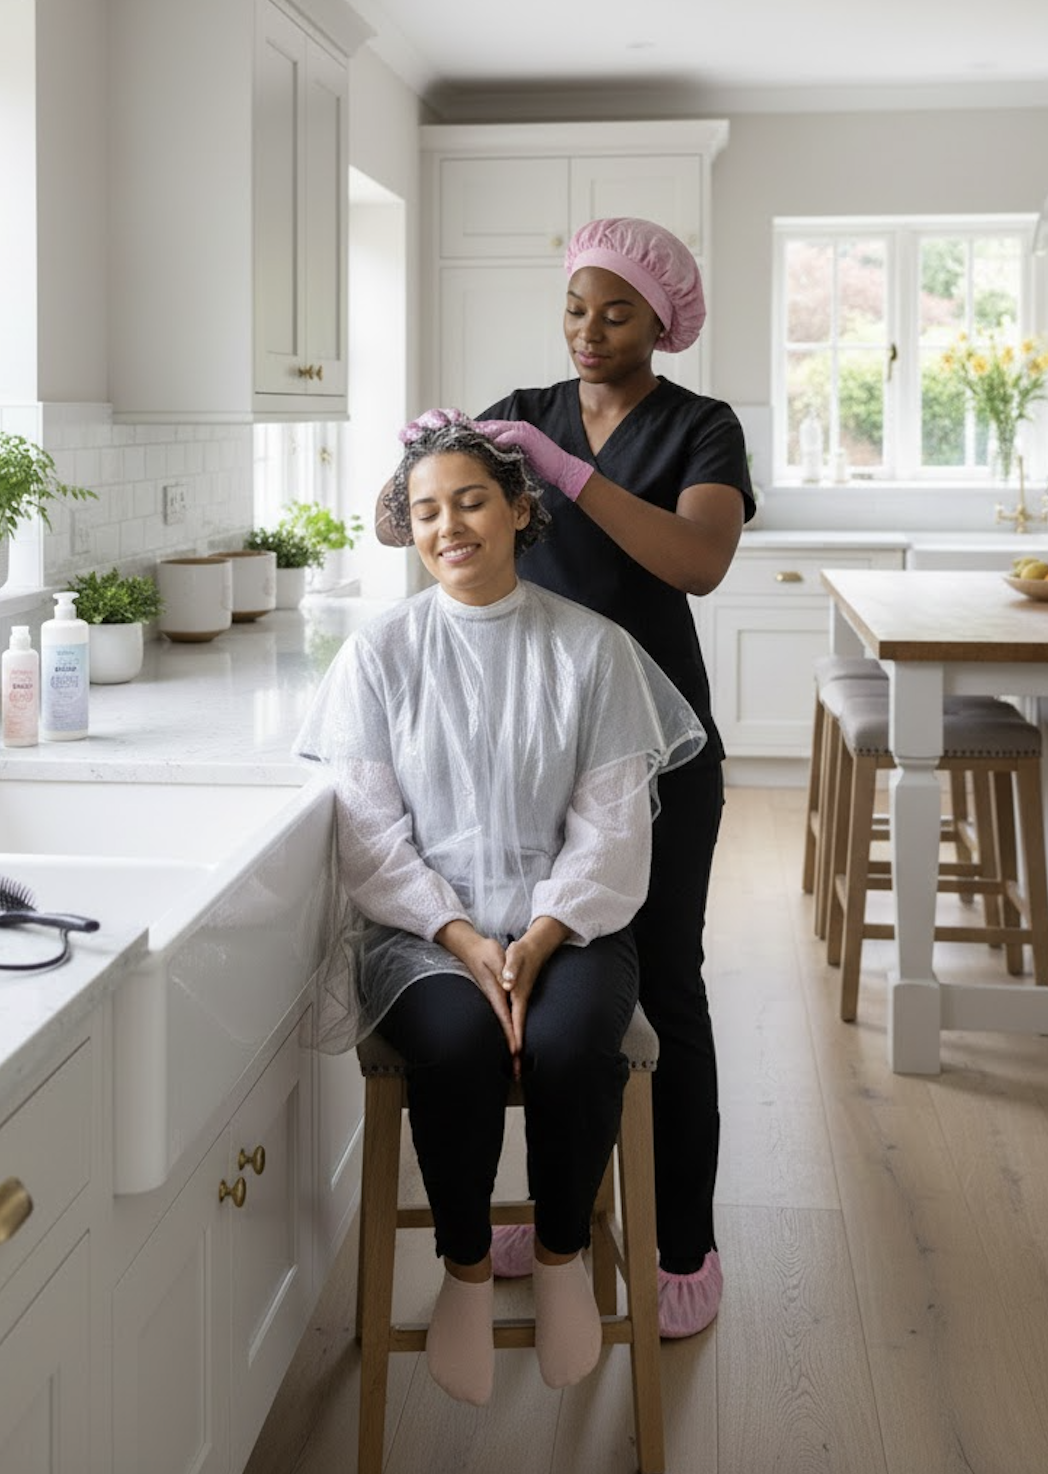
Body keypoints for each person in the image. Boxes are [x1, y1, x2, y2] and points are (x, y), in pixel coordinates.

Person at [378, 216, 754, 1339]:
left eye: (617, 312)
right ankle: (548, 1214)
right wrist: (413, 469)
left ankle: (679, 1238)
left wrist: (562, 472)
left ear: (663, 321)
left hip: (655, 753)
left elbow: (696, 560)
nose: (588, 331)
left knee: (658, 987)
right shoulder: (521, 409)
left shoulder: (699, 427)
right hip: (519, 752)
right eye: (576, 308)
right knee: (539, 984)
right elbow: (414, 525)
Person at [296, 420, 704, 1405]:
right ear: (410, 529)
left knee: (569, 1047)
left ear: (519, 510)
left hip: (570, 926)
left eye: (471, 501)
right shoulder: (377, 656)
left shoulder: (591, 652)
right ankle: (466, 1269)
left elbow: (610, 835)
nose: (450, 525)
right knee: (457, 1048)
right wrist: (467, 940)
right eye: (426, 510)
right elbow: (371, 837)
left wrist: (537, 938)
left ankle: (561, 1254)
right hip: (422, 930)